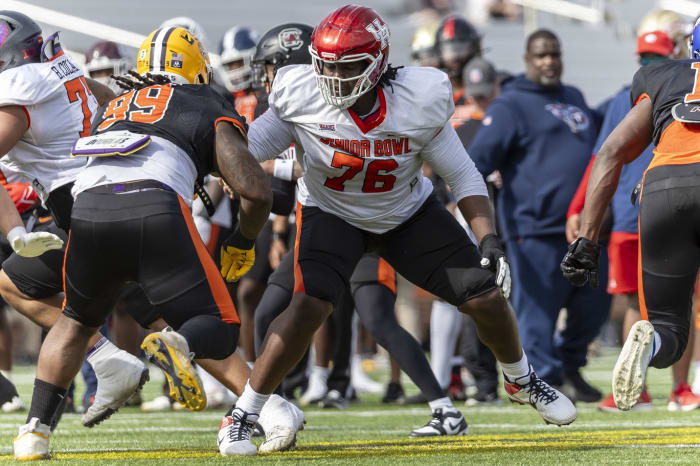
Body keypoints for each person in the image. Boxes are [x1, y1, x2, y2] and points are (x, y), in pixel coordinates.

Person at [223, 5, 576, 456]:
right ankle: (242, 415)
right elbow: (247, 149)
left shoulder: (418, 97)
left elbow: (464, 176)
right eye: (326, 65)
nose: (333, 77)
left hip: (405, 213)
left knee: (486, 295)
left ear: (377, 63)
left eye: (347, 66)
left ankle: (522, 379)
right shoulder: (299, 92)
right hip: (333, 213)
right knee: (308, 304)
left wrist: (487, 238)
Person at [0, 10, 149, 430]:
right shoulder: (59, 68)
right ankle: (256, 398)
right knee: (144, 304)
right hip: (106, 196)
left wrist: (13, 232)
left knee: (69, 308)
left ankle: (258, 399)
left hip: (80, 208)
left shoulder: (21, 87)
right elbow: (98, 91)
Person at [561, 18, 700, 412]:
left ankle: (650, 343)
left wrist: (587, 239)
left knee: (668, 326)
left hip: (661, 188)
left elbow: (611, 152)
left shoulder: (661, 77)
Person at [469, 29, 609, 401]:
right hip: (534, 228)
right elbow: (476, 163)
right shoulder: (509, 105)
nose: (549, 61)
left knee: (593, 308)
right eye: (541, 55)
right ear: (528, 59)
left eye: (554, 54)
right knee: (537, 315)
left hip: (586, 230)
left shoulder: (574, 97)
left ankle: (570, 369)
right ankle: (543, 381)